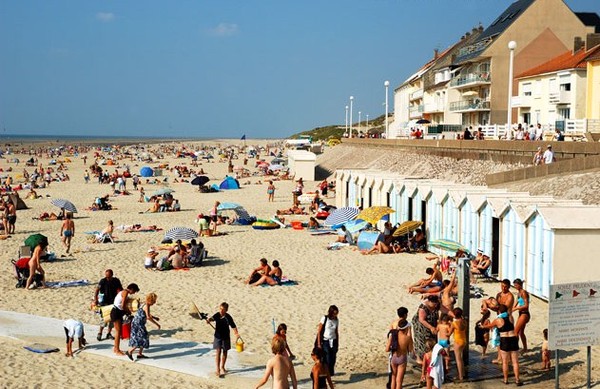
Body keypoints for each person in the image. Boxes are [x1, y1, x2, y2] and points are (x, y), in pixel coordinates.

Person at [480, 304, 522, 386]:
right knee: (515, 362)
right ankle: (517, 380)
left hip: (504, 339)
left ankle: (506, 380)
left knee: (505, 362)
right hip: (513, 338)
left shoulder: (498, 320)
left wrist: (482, 326)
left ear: (499, 311)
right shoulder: (511, 317)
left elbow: (489, 326)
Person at [206, 302, 240, 377]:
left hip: (226, 337)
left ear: (226, 310)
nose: (221, 311)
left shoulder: (228, 317)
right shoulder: (217, 315)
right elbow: (212, 318)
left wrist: (236, 333)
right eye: (220, 309)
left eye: (223, 309)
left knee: (225, 352)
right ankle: (217, 369)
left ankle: (222, 367)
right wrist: (209, 320)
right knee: (218, 351)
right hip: (218, 336)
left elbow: (233, 326)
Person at [126, 292, 161, 361]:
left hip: (136, 323)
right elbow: (148, 317)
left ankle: (140, 354)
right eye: (154, 301)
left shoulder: (143, 304)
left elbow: (147, 313)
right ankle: (130, 351)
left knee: (144, 337)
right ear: (151, 300)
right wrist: (157, 324)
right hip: (138, 324)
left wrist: (154, 317)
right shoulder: (147, 306)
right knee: (141, 339)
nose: (154, 302)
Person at [110, 283, 140, 356]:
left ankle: (115, 348)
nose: (134, 293)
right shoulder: (125, 292)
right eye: (134, 291)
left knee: (118, 331)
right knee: (118, 332)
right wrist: (128, 311)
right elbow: (123, 305)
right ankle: (117, 350)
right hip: (116, 312)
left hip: (117, 312)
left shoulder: (123, 292)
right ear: (132, 289)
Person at [94, 269, 123, 341]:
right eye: (106, 276)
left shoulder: (116, 281)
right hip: (104, 302)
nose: (107, 278)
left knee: (112, 318)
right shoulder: (103, 281)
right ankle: (100, 333)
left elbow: (120, 290)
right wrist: (96, 299)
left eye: (109, 276)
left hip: (113, 302)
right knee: (104, 318)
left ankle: (109, 333)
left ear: (112, 275)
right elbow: (97, 290)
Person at [386, 315, 413, 389]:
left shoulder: (393, 335)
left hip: (393, 358)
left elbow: (387, 349)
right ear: (406, 328)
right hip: (402, 358)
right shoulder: (407, 338)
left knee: (393, 378)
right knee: (399, 380)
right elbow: (411, 350)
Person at [411, 295, 440, 364]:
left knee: (432, 340)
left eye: (436, 304)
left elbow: (445, 310)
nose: (435, 305)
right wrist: (431, 327)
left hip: (432, 323)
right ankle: (419, 358)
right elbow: (421, 319)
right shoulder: (423, 308)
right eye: (434, 304)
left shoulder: (437, 304)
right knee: (420, 340)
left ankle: (430, 356)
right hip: (420, 325)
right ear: (429, 302)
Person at [316, 305, 339, 375]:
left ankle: (330, 374)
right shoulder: (325, 318)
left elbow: (336, 332)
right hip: (326, 341)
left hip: (333, 340)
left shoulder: (336, 320)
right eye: (334, 313)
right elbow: (319, 331)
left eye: (336, 313)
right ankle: (327, 375)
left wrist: (337, 342)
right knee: (327, 359)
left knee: (333, 359)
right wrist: (319, 343)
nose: (335, 315)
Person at [513, 278, 530, 353]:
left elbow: (526, 306)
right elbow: (516, 302)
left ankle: (514, 350)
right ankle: (525, 348)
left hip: (525, 314)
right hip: (521, 314)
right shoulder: (519, 293)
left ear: (520, 285)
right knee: (521, 332)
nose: (515, 286)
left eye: (516, 285)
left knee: (515, 332)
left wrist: (517, 308)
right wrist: (511, 309)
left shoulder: (524, 293)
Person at [451, 307, 467, 382]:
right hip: (463, 340)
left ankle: (460, 376)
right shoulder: (464, 321)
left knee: (458, 359)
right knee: (461, 358)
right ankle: (462, 373)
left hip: (457, 341)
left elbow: (449, 333)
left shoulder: (454, 323)